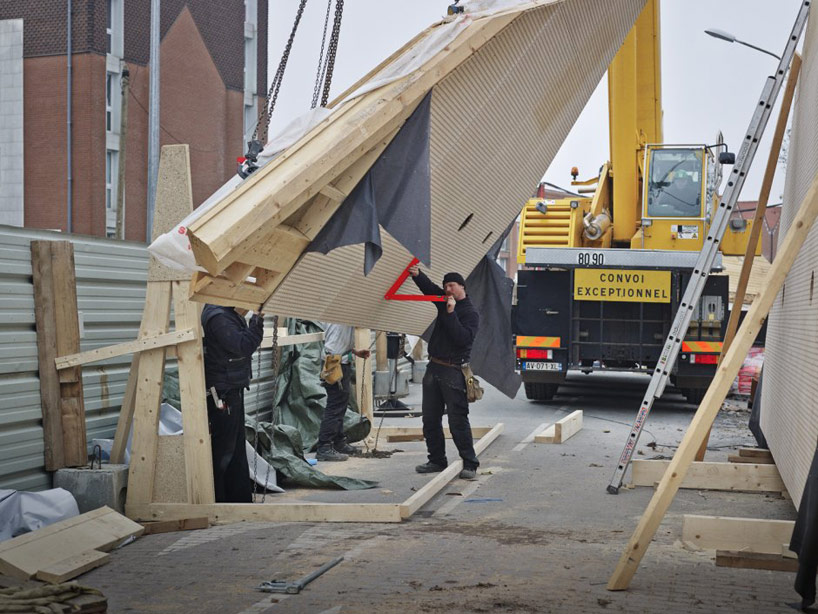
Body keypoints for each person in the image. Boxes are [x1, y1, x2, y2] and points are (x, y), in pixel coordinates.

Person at [408, 265, 480, 480]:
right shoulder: (444, 301)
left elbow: (462, 339)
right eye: (446, 286)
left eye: (452, 286)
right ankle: (437, 460)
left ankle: (470, 463)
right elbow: (429, 288)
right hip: (434, 367)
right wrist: (417, 275)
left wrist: (450, 313)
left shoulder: (470, 312)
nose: (448, 290)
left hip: (454, 370)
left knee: (458, 420)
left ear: (462, 287)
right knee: (430, 419)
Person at [201, 304, 265, 502]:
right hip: (224, 391)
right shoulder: (219, 317)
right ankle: (222, 501)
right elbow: (243, 346)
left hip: (230, 388)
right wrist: (257, 320)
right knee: (226, 451)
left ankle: (239, 500)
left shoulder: (226, 314)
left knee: (235, 449)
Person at [316, 324, 371, 462]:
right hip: (335, 363)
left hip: (339, 361)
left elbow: (338, 339)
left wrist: (354, 352)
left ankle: (338, 442)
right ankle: (324, 447)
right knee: (335, 405)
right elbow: (334, 343)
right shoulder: (339, 316)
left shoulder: (343, 317)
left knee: (341, 404)